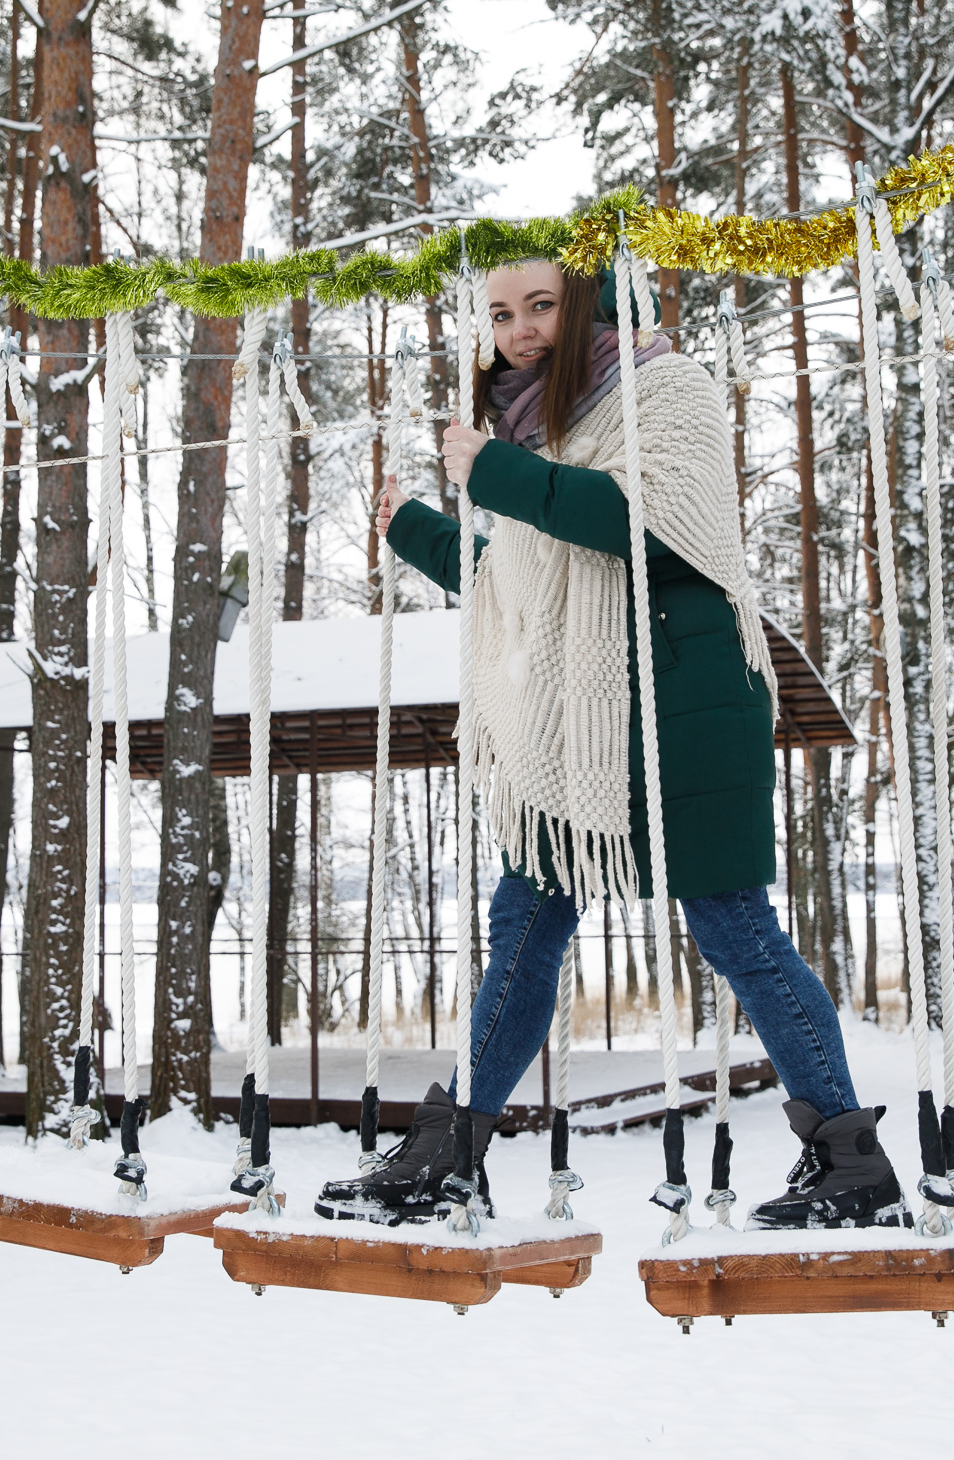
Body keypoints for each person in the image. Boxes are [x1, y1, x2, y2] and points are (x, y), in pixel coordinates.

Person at [315, 259, 903, 1232]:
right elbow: (524, 580)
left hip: (682, 698)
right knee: (524, 926)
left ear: (582, 303)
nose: (519, 329)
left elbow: (644, 526)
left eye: (540, 305)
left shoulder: (664, 386)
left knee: (733, 930)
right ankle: (449, 1153)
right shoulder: (533, 432)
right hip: (576, 724)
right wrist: (413, 529)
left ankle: (849, 1156)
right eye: (500, 313)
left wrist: (495, 474)